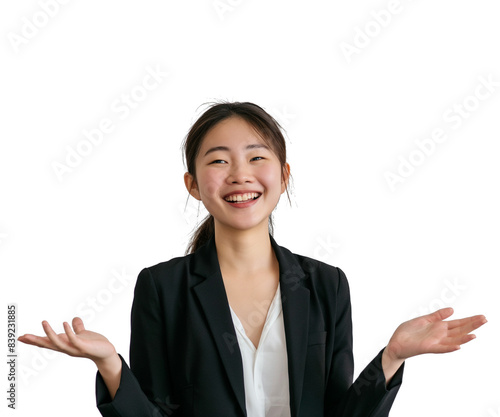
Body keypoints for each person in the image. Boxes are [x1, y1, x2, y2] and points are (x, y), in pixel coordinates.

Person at [18, 101, 487, 417]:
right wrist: (111, 366)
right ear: (194, 185)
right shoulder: (162, 287)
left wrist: (392, 358)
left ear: (282, 175)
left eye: (256, 157)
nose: (240, 174)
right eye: (218, 160)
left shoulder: (327, 284)